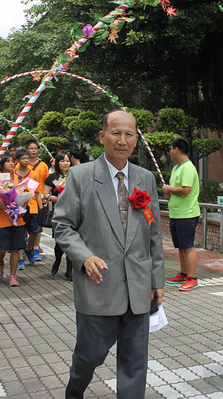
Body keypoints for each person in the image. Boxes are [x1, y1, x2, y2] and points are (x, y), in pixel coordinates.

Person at [53, 110, 164, 399]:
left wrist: (157, 279)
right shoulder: (81, 176)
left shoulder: (145, 178)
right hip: (99, 284)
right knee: (90, 356)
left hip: (139, 286)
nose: (123, 140)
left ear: (136, 139)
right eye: (116, 133)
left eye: (129, 134)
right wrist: (84, 256)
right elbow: (62, 225)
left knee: (134, 363)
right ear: (102, 137)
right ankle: (75, 389)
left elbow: (153, 234)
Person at [163, 138, 201, 291]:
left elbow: (186, 190)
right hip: (176, 214)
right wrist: (168, 192)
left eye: (171, 149)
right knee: (180, 247)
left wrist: (169, 189)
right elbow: (174, 190)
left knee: (188, 247)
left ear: (176, 149)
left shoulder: (188, 168)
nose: (170, 153)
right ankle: (184, 274)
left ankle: (192, 278)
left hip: (187, 214)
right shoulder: (176, 168)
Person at [0, 154, 27, 287]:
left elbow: (25, 193)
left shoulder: (19, 179)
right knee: (1, 249)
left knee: (16, 248)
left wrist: (23, 202)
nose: (11, 164)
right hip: (1, 219)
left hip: (17, 219)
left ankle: (13, 275)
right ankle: (0, 262)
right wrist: (0, 205)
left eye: (12, 161)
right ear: (1, 164)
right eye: (8, 162)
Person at [44, 151, 73, 280]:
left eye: (67, 161)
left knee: (72, 240)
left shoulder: (74, 175)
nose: (65, 163)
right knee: (60, 242)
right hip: (59, 212)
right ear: (57, 162)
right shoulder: (52, 178)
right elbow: (45, 195)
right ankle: (57, 261)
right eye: (62, 161)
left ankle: (69, 271)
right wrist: (59, 198)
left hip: (73, 212)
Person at [15, 148, 43, 269]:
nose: (26, 160)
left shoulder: (34, 174)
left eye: (27, 158)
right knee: (20, 233)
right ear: (18, 160)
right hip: (17, 209)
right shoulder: (13, 174)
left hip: (32, 207)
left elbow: (37, 192)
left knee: (35, 232)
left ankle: (28, 249)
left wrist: (41, 208)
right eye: (23, 158)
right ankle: (20, 258)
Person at [26, 139, 49, 261]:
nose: (33, 151)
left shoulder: (43, 165)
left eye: (35, 148)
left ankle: (35, 248)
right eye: (31, 148)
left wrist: (46, 197)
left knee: (38, 226)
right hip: (25, 200)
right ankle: (26, 246)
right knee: (25, 226)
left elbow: (46, 181)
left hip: (38, 199)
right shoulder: (21, 165)